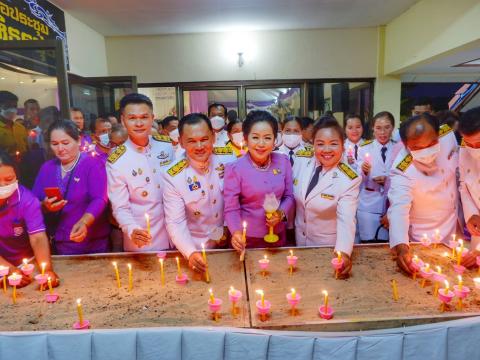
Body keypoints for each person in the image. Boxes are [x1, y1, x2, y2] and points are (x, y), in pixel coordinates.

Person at [162, 113, 234, 273]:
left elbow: (236, 198)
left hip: (228, 243)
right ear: (180, 142)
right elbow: (175, 221)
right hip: (195, 245)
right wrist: (190, 252)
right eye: (191, 141)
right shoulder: (173, 174)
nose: (200, 146)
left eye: (204, 139)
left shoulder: (228, 157)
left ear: (213, 137)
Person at [388, 113, 459, 274]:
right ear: (406, 145)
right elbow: (399, 209)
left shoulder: (447, 136)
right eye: (418, 148)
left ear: (438, 134)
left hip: (456, 225)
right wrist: (402, 247)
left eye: (432, 143)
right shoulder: (401, 169)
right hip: (425, 235)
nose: (426, 150)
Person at [293, 116, 360, 278]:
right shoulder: (303, 163)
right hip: (299, 245)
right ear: (313, 145)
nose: (327, 150)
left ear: (343, 146)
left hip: (327, 250)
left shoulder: (349, 178)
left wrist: (343, 253)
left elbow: (346, 220)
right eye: (320, 144)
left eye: (333, 143)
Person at [107, 93, 175, 252]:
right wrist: (131, 228)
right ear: (123, 121)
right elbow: (120, 207)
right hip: (143, 240)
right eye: (132, 118)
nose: (138, 123)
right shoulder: (117, 160)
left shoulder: (166, 147)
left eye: (144, 117)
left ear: (152, 118)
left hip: (177, 235)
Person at [32, 120, 110, 255]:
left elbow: (100, 198)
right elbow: (33, 201)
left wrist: (85, 222)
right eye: (54, 144)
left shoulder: (93, 164)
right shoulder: (47, 168)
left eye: (65, 143)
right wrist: (44, 206)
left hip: (92, 241)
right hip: (60, 241)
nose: (60, 148)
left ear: (78, 140)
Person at [225, 110, 295, 250]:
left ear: (275, 140)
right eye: (255, 137)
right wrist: (237, 233)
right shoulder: (235, 168)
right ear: (246, 139)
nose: (261, 144)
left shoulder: (283, 161)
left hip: (278, 234)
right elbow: (231, 208)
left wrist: (280, 214)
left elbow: (289, 197)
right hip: (247, 239)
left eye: (267, 138)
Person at [0, 150, 59, 287]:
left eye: (9, 180)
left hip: (26, 262)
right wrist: (7, 269)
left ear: (17, 177)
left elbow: (37, 237)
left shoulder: (27, 200)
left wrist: (47, 270)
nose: (3, 185)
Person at [356, 111, 396, 242]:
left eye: (387, 127)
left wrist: (388, 180)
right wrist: (364, 171)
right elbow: (357, 177)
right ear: (373, 129)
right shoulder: (364, 148)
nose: (383, 132)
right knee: (367, 244)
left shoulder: (398, 148)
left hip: (392, 205)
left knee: (388, 246)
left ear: (393, 128)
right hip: (368, 206)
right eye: (378, 128)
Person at [457, 107, 480, 268]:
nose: (474, 148)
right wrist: (471, 214)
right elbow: (463, 184)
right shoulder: (465, 149)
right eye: (469, 143)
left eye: (479, 142)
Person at [0, 91, 28, 158]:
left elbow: (26, 148)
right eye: (8, 106)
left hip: (24, 165)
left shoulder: (20, 127)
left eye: (14, 106)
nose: (12, 110)